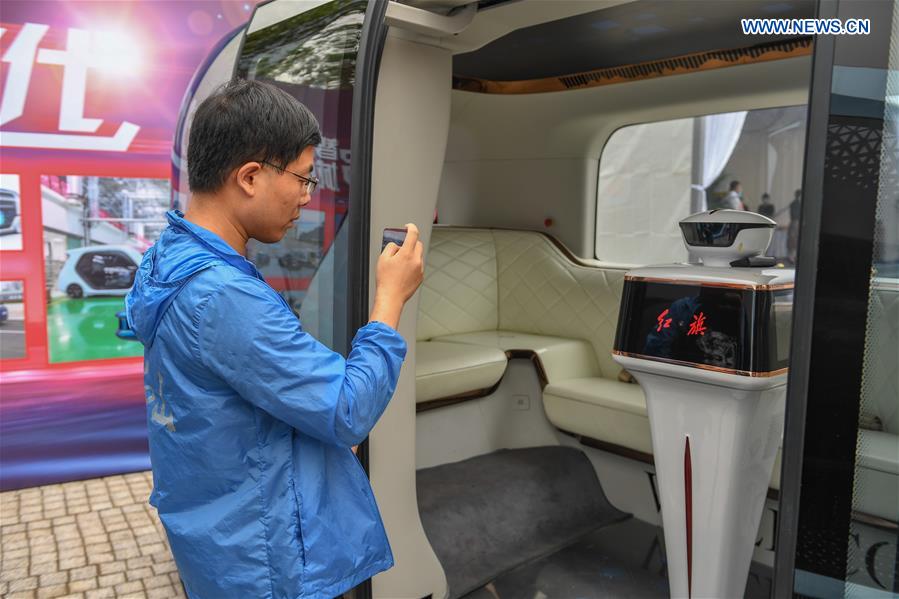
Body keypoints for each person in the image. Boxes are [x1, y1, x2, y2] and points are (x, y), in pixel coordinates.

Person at [125, 79, 424, 598]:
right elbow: (346, 409)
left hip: (221, 538)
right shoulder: (223, 294)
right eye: (303, 178)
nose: (308, 197)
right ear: (249, 176)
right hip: (265, 561)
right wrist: (390, 298)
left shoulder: (169, 257)